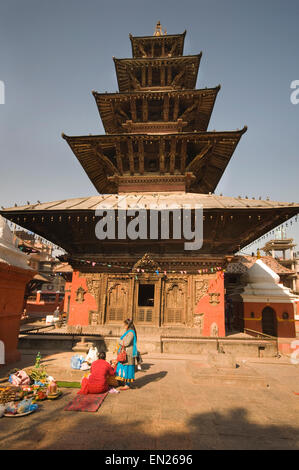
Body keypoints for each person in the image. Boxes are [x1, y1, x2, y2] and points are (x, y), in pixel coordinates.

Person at [115, 319, 138, 390]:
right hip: (125, 353)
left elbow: (127, 343)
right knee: (123, 367)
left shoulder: (131, 333)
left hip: (128, 354)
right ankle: (124, 383)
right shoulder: (128, 332)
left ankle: (127, 385)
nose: (124, 326)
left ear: (128, 325)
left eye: (125, 324)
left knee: (127, 369)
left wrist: (119, 341)